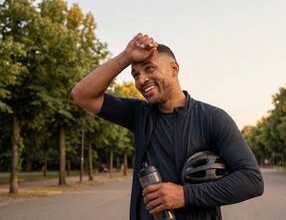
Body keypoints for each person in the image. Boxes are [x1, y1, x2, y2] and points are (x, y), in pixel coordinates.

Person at [71, 33, 264, 220]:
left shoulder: (213, 118)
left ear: (174, 69)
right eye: (135, 75)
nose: (141, 80)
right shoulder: (138, 114)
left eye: (149, 68)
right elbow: (82, 94)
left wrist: (184, 195)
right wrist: (126, 56)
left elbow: (252, 180)